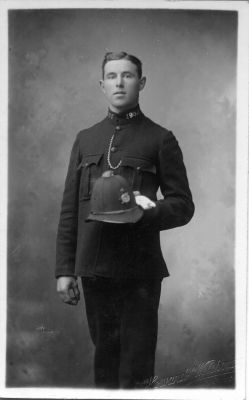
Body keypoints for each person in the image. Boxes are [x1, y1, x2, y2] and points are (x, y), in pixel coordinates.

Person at [55, 51, 195, 389]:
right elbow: (70, 209)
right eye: (112, 76)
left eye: (128, 75)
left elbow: (183, 205)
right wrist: (64, 270)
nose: (120, 82)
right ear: (101, 85)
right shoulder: (85, 139)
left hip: (140, 273)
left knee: (136, 370)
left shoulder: (160, 138)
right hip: (94, 270)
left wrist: (146, 211)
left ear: (141, 83)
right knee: (104, 365)